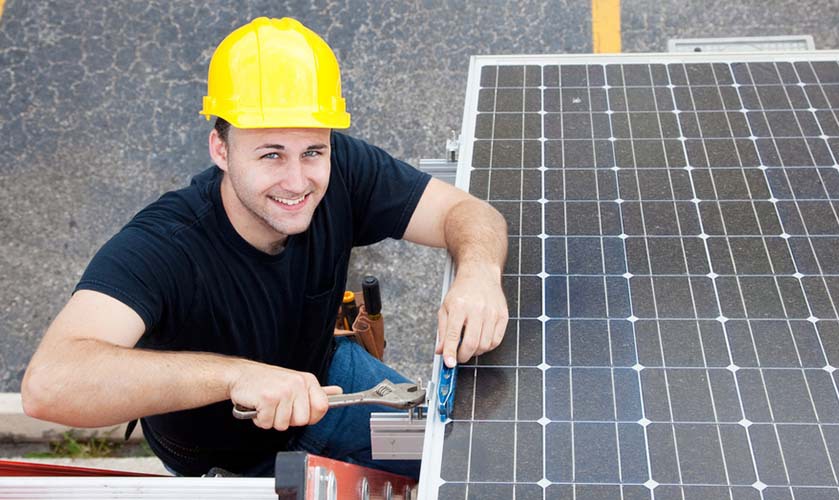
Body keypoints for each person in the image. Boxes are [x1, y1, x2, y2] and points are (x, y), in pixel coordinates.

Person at [20, 17, 508, 478]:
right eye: (270, 154)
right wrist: (236, 377)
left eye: (313, 151)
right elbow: (50, 384)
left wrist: (479, 274)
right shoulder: (165, 247)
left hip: (329, 383)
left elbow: (466, 213)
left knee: (468, 462)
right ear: (221, 148)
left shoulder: (343, 171)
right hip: (226, 459)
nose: (298, 181)